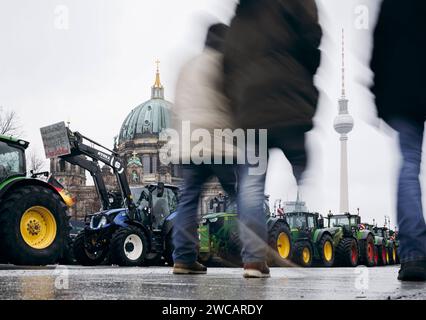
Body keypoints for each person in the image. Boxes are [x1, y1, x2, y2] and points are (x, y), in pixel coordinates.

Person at [223, 0, 322, 278]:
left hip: (251, 109)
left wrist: (237, 101)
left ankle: (253, 260)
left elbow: (227, 67)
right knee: (301, 163)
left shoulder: (242, 14)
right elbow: (311, 39)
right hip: (289, 98)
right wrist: (306, 74)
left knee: (252, 185)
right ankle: (302, 212)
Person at [170, 23, 237, 275]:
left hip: (188, 143)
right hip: (219, 141)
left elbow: (176, 107)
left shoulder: (187, 66)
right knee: (241, 194)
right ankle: (253, 255)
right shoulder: (227, 64)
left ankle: (184, 259)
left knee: (187, 201)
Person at [370, 0, 426, 281]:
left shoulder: (393, 4)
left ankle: (414, 254)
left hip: (405, 92)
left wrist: (381, 100)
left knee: (408, 167)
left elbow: (378, 50)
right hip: (407, 90)